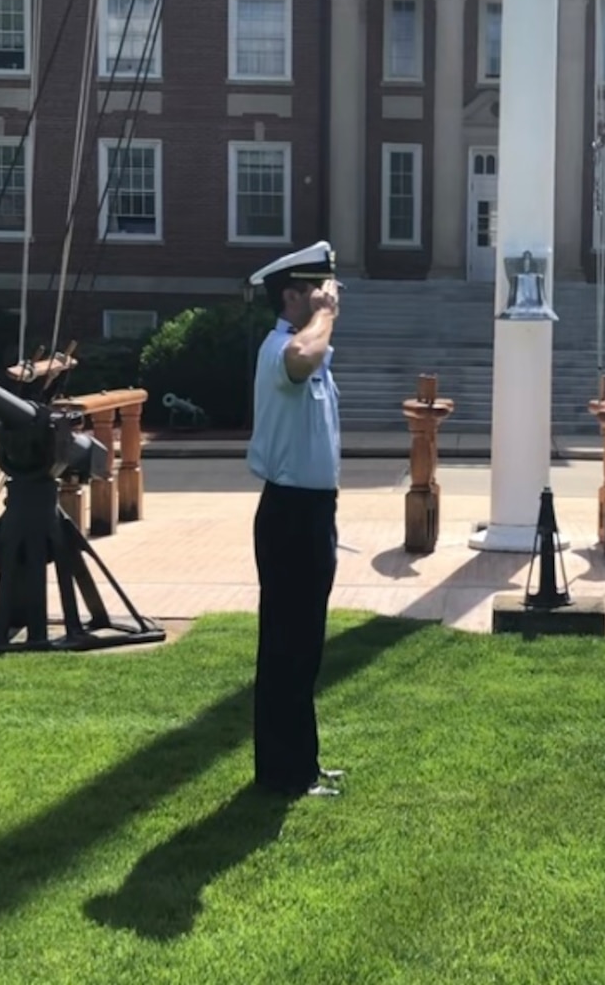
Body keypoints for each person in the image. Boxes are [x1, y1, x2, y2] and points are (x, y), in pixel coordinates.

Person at [246, 240, 347, 799]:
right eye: (317, 288)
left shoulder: (309, 347)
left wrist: (324, 316)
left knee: (304, 645)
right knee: (287, 645)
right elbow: (299, 361)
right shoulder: (282, 348)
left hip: (311, 513)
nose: (329, 295)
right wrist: (325, 313)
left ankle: (302, 764)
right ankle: (282, 773)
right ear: (291, 296)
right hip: (289, 514)